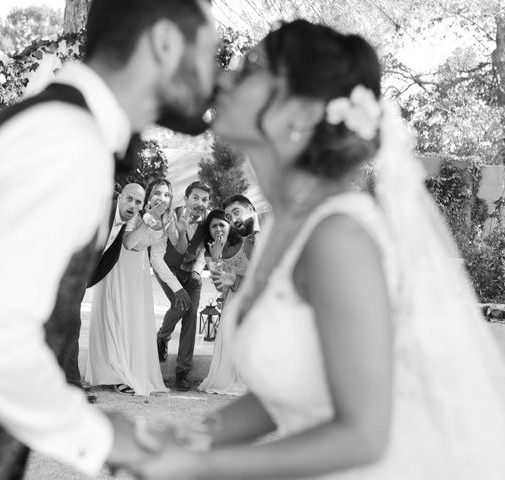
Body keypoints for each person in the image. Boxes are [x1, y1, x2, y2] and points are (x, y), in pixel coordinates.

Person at [131, 19, 505, 480]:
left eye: (250, 68)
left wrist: (197, 466)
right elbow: (292, 386)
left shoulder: (339, 238)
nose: (225, 76)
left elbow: (364, 436)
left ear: (303, 112)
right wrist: (187, 437)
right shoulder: (282, 229)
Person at [0, 0, 218, 478]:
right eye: (207, 48)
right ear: (165, 42)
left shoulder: (46, 125)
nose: (213, 71)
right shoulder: (67, 143)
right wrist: (103, 439)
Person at [86, 179, 176, 397]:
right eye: (156, 193)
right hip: (118, 266)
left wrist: (176, 228)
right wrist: (148, 218)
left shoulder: (165, 219)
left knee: (133, 320)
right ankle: (115, 373)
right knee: (114, 316)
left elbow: (169, 247)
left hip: (139, 270)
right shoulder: (135, 214)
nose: (160, 198)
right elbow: (128, 243)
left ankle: (128, 370)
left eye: (165, 194)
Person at [61, 182, 144, 403]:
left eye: (138, 202)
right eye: (129, 199)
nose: (133, 205)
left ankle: (68, 387)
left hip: (75, 280)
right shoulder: (100, 213)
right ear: (120, 197)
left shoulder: (121, 222)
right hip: (62, 274)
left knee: (68, 330)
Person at [151, 180, 211, 391]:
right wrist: (177, 286)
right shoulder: (171, 215)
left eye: (204, 199)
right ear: (186, 199)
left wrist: (197, 269)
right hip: (169, 271)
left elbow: (205, 250)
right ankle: (162, 336)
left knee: (191, 316)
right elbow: (157, 257)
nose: (200, 203)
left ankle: (182, 372)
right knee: (181, 305)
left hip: (192, 275)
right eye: (195, 197)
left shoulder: (209, 221)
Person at [197, 209, 252, 396]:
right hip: (233, 298)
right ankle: (228, 378)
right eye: (214, 226)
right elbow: (220, 288)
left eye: (222, 224)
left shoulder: (247, 242)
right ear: (209, 231)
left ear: (229, 225)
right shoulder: (210, 253)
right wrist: (216, 257)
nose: (218, 229)